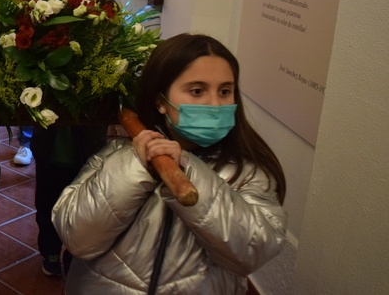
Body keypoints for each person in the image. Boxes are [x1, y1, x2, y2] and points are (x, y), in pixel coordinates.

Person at [52, 34, 287, 294]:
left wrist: (187, 170)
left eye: (224, 91)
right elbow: (77, 239)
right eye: (197, 91)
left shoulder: (247, 173)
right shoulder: (115, 155)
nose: (214, 104)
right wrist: (135, 166)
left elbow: (251, 253)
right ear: (161, 102)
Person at [21, 0, 104, 275]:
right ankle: (49, 246)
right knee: (46, 154)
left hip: (65, 57)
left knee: (74, 159)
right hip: (25, 51)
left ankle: (77, 242)